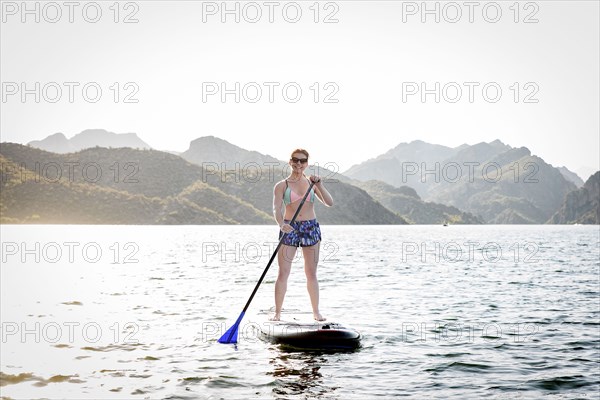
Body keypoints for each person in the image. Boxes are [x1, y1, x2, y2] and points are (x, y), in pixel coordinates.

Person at [271, 149, 334, 321]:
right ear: (290, 161)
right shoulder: (281, 185)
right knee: (283, 272)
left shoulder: (312, 183)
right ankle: (277, 313)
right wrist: (281, 224)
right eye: (296, 160)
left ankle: (316, 312)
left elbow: (329, 202)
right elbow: (277, 208)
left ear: (307, 163)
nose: (299, 164)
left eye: (303, 161)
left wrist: (319, 184)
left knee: (311, 273)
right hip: (289, 227)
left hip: (310, 228)